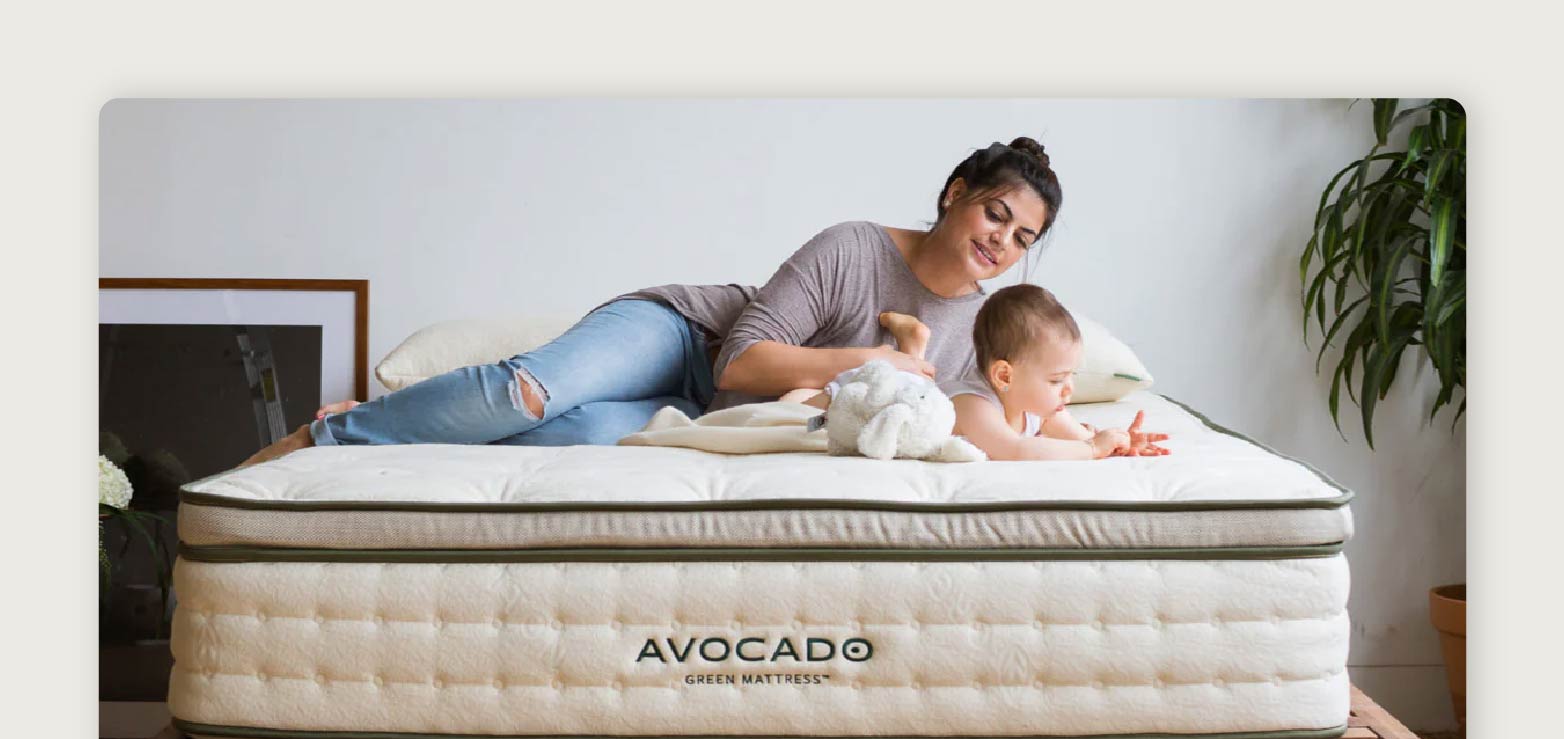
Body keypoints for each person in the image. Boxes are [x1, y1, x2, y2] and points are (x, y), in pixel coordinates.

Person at [242, 138, 1064, 466]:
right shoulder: (854, 245)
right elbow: (741, 361)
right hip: (684, 339)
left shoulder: (979, 328)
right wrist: (869, 359)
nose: (1002, 241)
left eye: (1023, 236)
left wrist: (1089, 439)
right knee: (529, 392)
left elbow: (1000, 409)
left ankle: (401, 420)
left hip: (705, 418)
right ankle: (330, 432)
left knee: (552, 438)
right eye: (996, 212)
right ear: (956, 194)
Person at [948, 284, 1170, 460]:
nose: (1068, 389)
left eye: (1071, 375)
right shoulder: (972, 405)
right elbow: (1015, 451)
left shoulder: (1038, 409)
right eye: (1056, 380)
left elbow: (1086, 440)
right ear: (1005, 376)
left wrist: (1120, 443)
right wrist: (1093, 448)